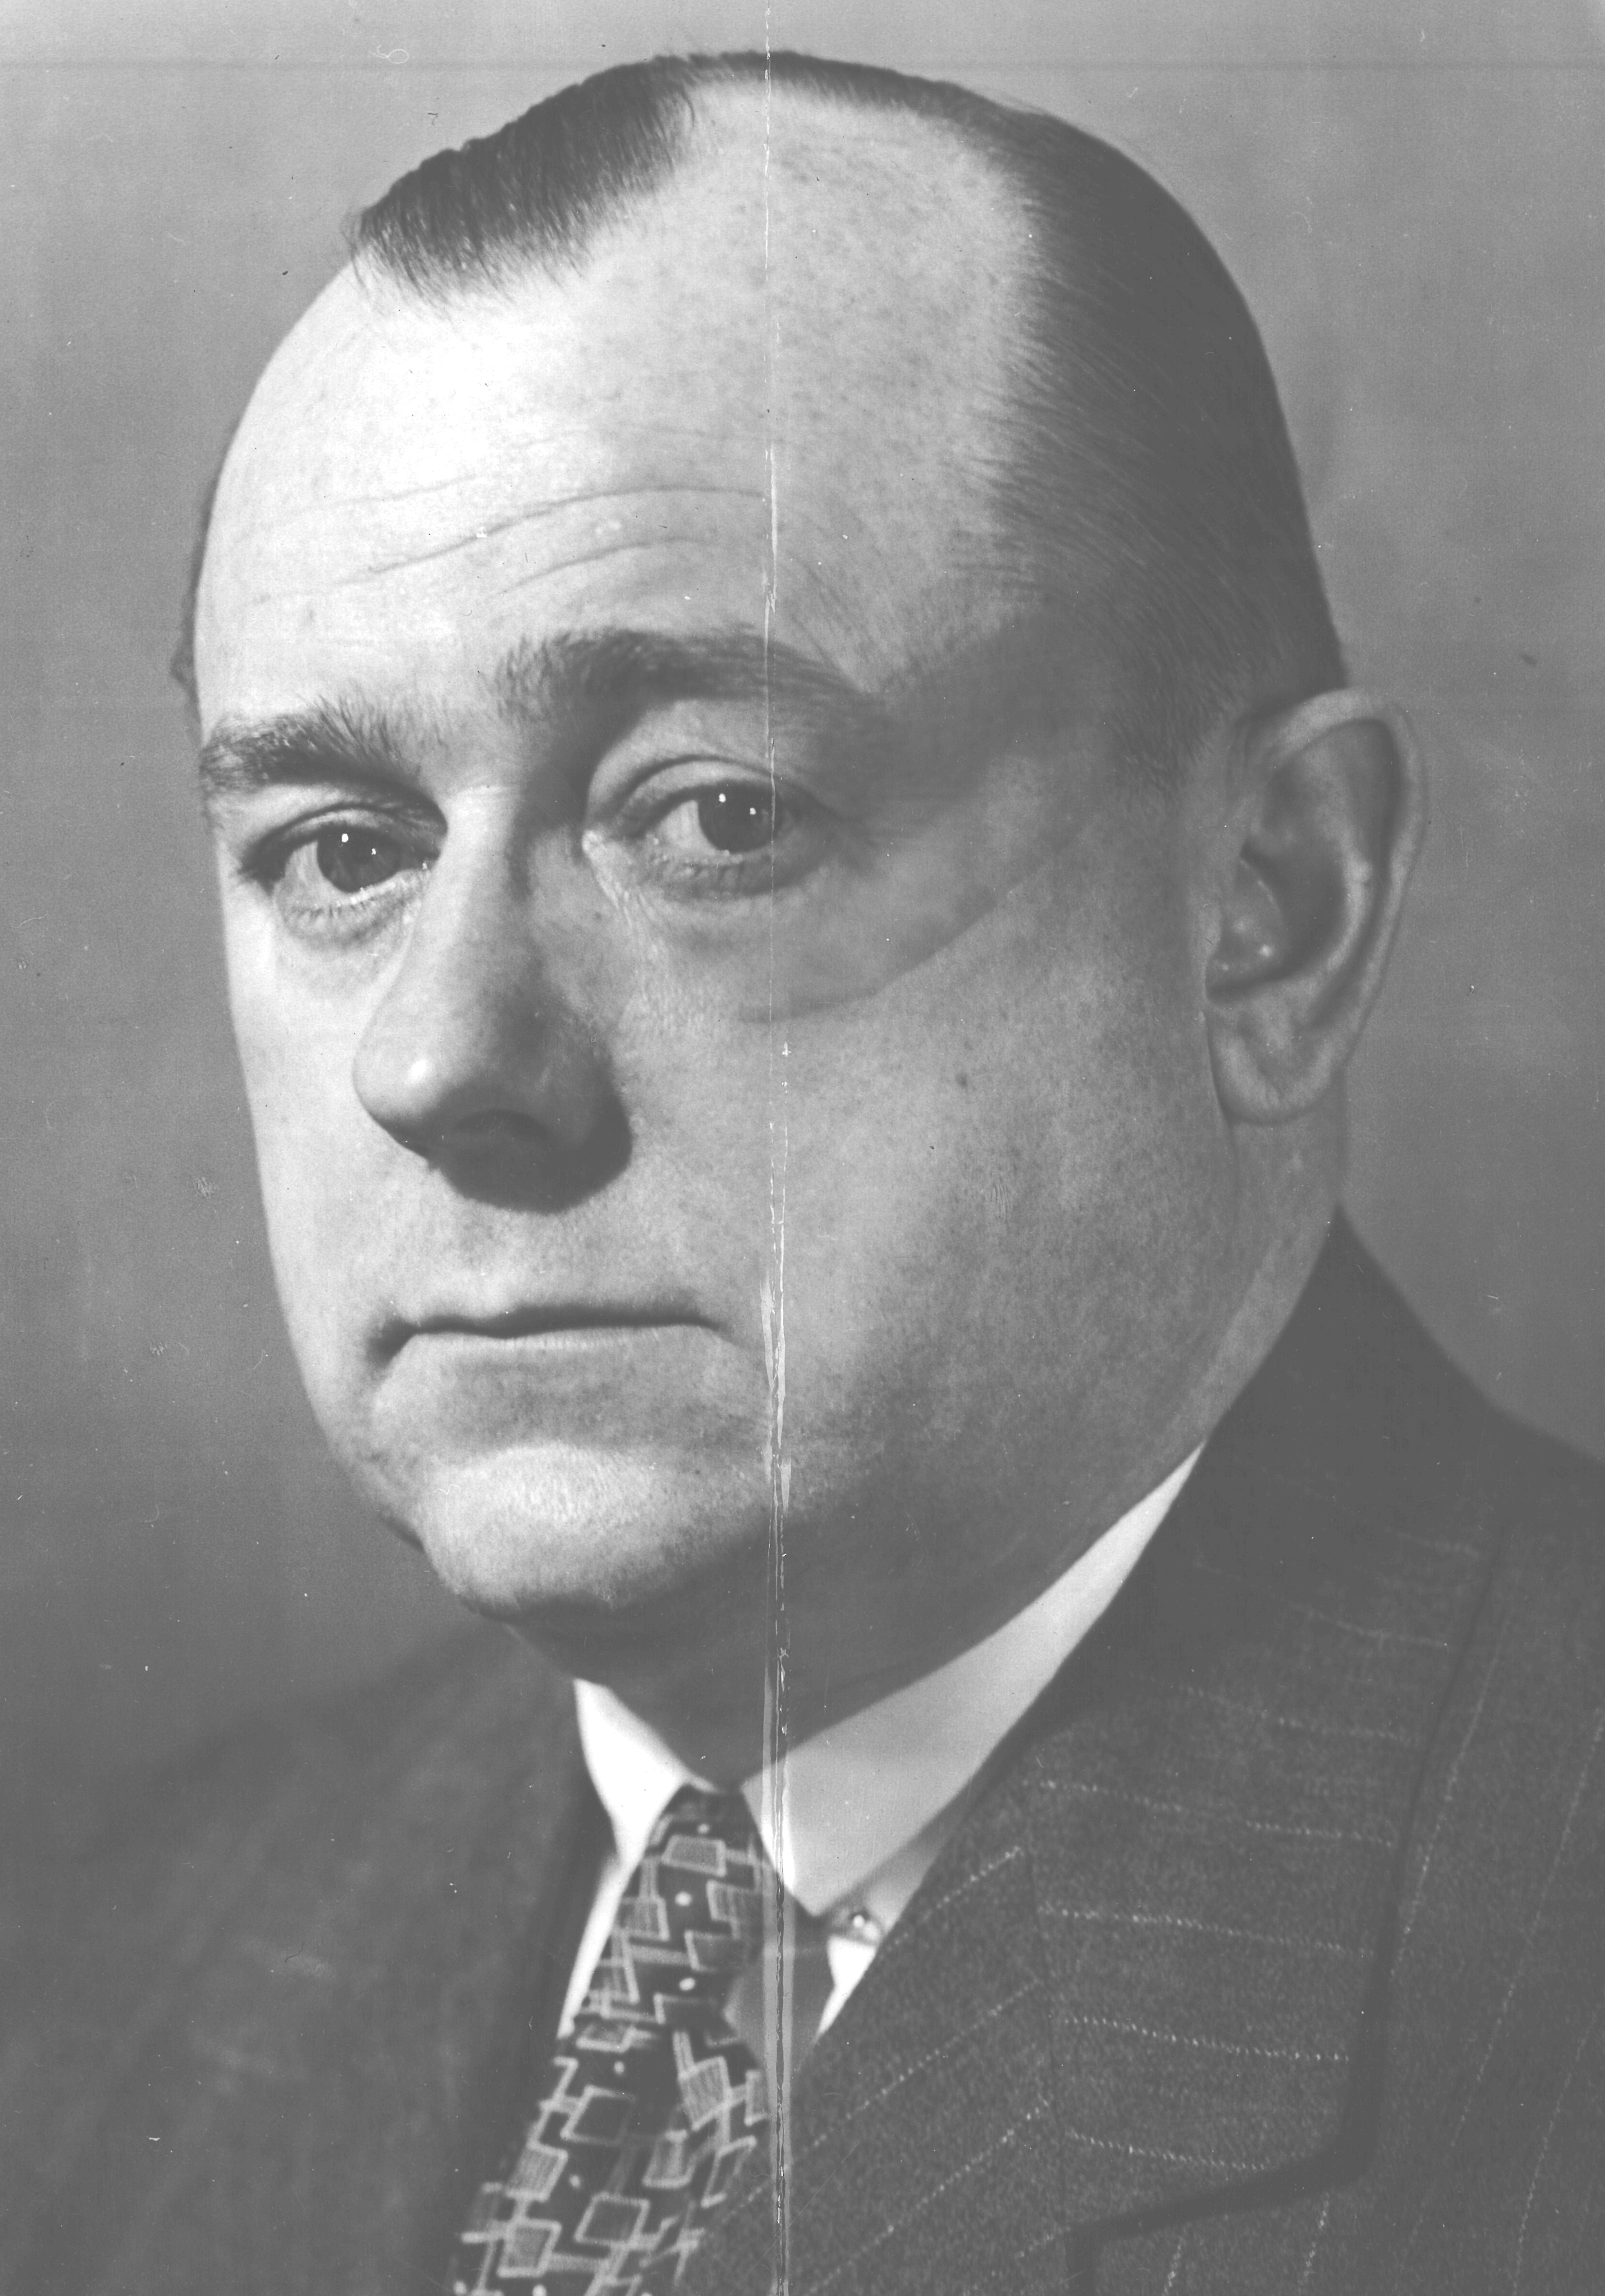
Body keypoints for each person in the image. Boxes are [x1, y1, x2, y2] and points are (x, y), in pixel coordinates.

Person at [9, 51, 1603, 2296]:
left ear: (1273, 909)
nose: (441, 1059)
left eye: (718, 813)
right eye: (341, 851)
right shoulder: (105, 1988)